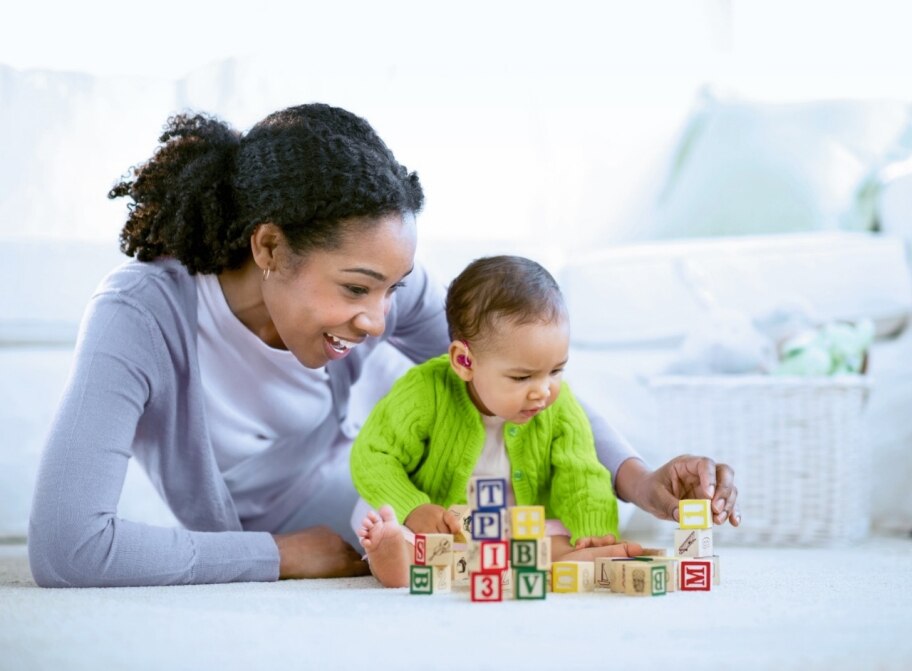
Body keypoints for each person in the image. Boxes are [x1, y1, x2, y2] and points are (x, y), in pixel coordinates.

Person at [28, 102, 739, 588]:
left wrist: (641, 479)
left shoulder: (385, 286)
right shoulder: (140, 317)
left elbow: (529, 377)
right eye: (357, 288)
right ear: (268, 245)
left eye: (393, 290)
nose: (378, 318)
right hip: (320, 528)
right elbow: (68, 545)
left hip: (411, 498)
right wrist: (280, 555)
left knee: (541, 525)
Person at [352, 256, 643, 588]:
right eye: (522, 377)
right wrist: (412, 508)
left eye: (556, 370)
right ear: (464, 361)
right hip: (443, 522)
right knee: (392, 525)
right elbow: (374, 455)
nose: (543, 391)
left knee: (556, 539)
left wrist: (593, 532)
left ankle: (570, 558)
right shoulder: (423, 391)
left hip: (520, 526)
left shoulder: (560, 406)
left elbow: (582, 475)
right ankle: (396, 560)